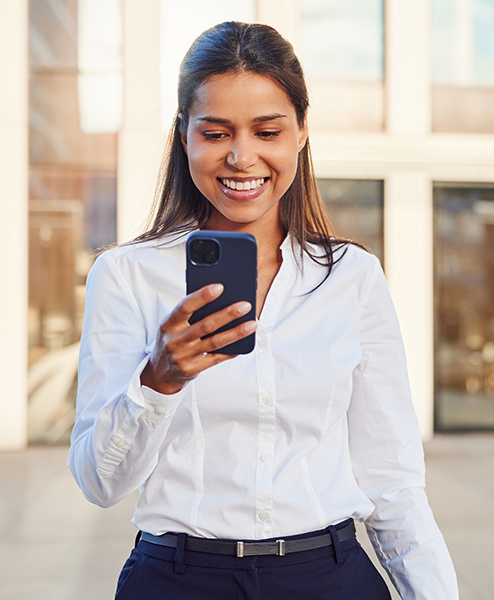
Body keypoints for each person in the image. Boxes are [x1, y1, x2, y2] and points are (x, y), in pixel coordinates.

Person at [68, 21, 459, 600]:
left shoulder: (353, 279)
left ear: (301, 133)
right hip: (177, 579)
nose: (241, 156)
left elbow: (392, 480)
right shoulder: (127, 276)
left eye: (267, 130)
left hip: (329, 575)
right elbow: (101, 483)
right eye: (217, 131)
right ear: (184, 137)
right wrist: (157, 381)